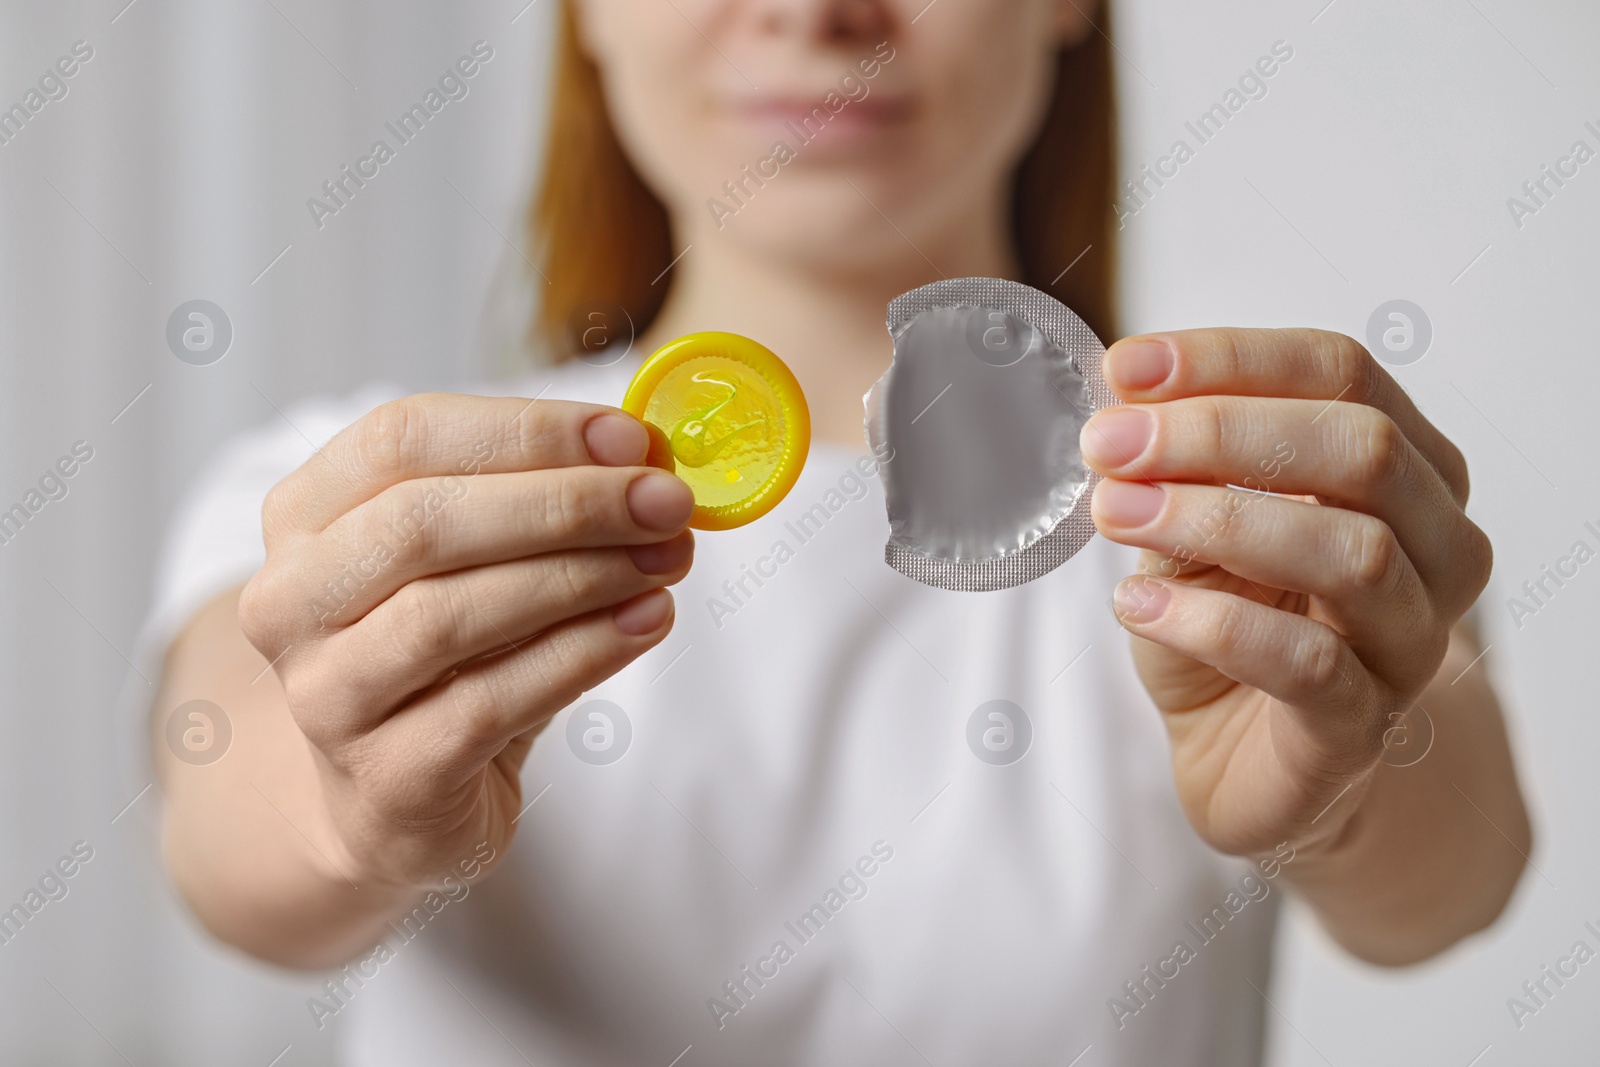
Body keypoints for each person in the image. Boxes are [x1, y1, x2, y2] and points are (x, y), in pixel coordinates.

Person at [146, 0, 1531, 1063]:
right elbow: (230, 846)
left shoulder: (1254, 509)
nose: (817, 12)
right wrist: (356, 804)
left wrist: (1341, 773)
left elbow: (1455, 882)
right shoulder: (363, 503)